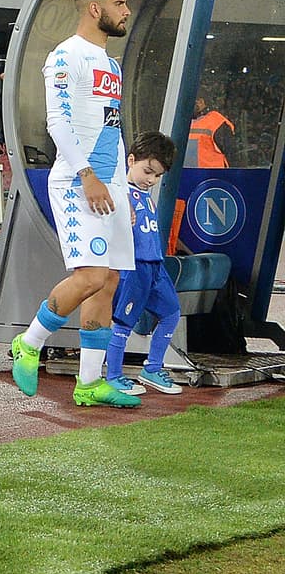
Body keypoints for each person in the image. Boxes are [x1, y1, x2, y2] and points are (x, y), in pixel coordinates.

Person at [10, 0, 141, 409]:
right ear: (94, 8)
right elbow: (58, 123)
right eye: (119, 3)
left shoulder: (112, 64)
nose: (126, 11)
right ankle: (29, 342)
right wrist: (87, 175)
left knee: (109, 281)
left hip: (110, 185)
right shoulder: (66, 56)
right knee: (90, 277)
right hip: (77, 182)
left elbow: (111, 128)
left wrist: (123, 190)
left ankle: (89, 383)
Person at [104, 133, 184, 396]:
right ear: (130, 160)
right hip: (134, 266)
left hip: (155, 265)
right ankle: (113, 376)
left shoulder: (146, 195)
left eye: (157, 175)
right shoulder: (120, 193)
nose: (151, 180)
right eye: (148, 171)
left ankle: (152, 368)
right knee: (123, 322)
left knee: (171, 313)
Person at [186, 95, 235, 168]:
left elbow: (230, 152)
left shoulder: (216, 120)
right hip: (187, 173)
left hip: (211, 173)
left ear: (201, 102)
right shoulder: (180, 120)